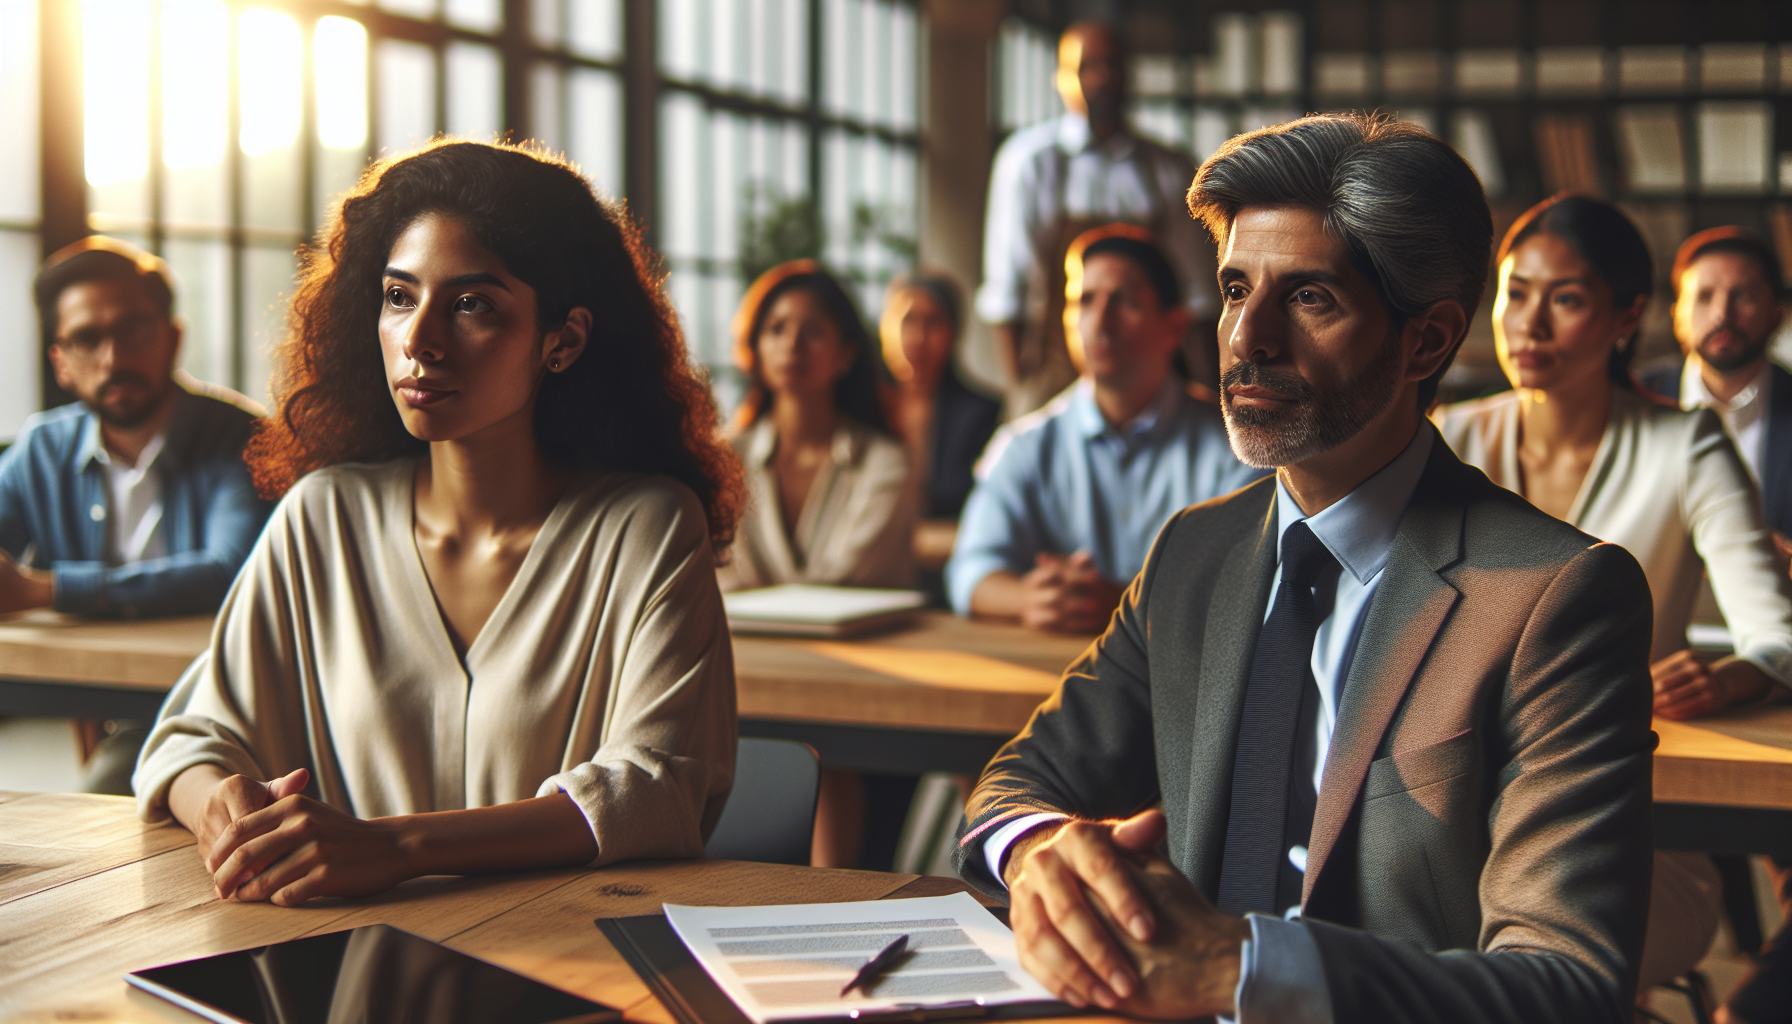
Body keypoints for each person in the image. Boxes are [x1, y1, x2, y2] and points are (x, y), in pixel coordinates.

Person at [955, 114, 1657, 1023]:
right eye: (1236, 288)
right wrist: (1041, 848)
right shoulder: (1189, 554)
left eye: (1310, 298)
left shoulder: (1557, 597)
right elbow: (1018, 782)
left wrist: (1246, 969)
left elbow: (1567, 984)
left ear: (1428, 342)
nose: (1246, 338)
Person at [132, 140, 742, 906]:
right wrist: (228, 816)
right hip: (338, 962)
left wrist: (394, 848)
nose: (420, 340)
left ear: (565, 339)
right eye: (398, 296)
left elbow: (656, 789)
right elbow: (191, 740)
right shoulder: (324, 517)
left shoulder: (644, 527)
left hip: (565, 963)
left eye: (470, 304)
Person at [1435, 195, 1792, 994]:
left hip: (1629, 838)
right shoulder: (1450, 441)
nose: (1528, 324)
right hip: (1453, 824)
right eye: (1515, 292)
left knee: (1465, 965)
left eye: (1564, 299)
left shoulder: (1687, 445)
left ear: (1628, 315)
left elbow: (1780, 635)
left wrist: (1732, 674)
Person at [0, 237, 268, 795]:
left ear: (172, 337)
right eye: (86, 339)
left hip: (230, 701)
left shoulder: (243, 439)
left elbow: (226, 572)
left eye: (133, 330)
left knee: (98, 801)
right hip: (121, 700)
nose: (114, 358)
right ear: (61, 362)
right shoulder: (41, 448)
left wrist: (44, 592)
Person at [947, 226, 1263, 633]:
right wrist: (1032, 597)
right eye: (1083, 301)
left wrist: (1122, 601)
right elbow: (970, 571)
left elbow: (1252, 585)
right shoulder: (1025, 446)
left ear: (1174, 326)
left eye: (1125, 301)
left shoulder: (1234, 445)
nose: (1100, 320)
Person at [978, 21, 1214, 416]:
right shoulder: (1029, 163)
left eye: (1112, 65)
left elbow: (1196, 294)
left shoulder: (1168, 168)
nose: (1102, 77)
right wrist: (1022, 388)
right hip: (1055, 373)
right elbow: (1007, 294)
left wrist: (1207, 386)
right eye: (1088, 66)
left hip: (1154, 375)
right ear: (1061, 78)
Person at [718, 260, 916, 593]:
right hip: (746, 644)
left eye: (813, 332)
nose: (792, 345)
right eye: (776, 329)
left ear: (846, 354)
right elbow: (719, 576)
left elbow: (847, 582)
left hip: (865, 645)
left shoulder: (885, 463)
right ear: (756, 347)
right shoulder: (725, 462)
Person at [1648, 228, 1790, 537]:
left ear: (1776, 315)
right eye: (1704, 296)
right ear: (1677, 316)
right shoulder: (1633, 400)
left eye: (1744, 296)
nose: (1721, 314)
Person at [878, 272, 1001, 522]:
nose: (918, 338)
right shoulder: (860, 406)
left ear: (954, 334)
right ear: (885, 328)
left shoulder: (981, 414)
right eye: (907, 321)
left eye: (933, 322)